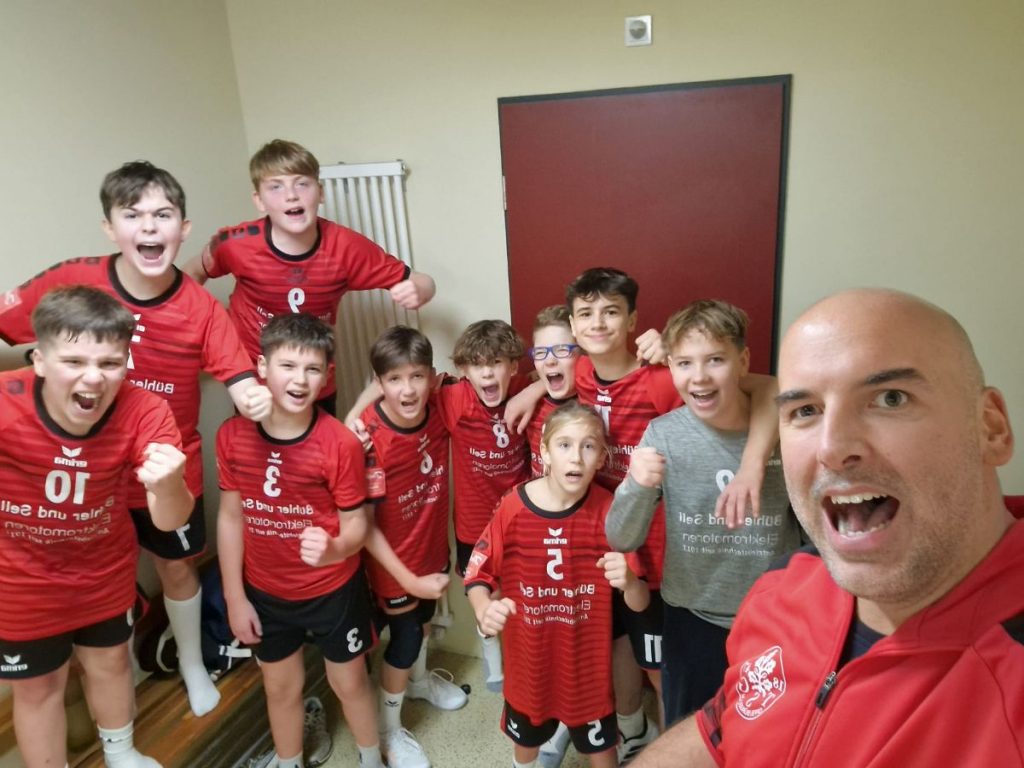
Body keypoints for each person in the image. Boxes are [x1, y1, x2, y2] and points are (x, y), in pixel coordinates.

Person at [632, 289, 1023, 767]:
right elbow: (723, 730)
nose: (831, 448)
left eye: (890, 399)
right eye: (806, 411)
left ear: (991, 428)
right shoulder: (782, 588)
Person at [0, 160, 271, 718]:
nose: (149, 226)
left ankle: (191, 662)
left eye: (163, 215)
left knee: (177, 567)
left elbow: (238, 373)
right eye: (133, 215)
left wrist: (252, 396)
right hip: (81, 473)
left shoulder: (200, 306)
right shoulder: (73, 279)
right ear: (110, 227)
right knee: (86, 578)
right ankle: (97, 692)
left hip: (167, 468)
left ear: (183, 228)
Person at [508, 268, 778, 764]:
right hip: (600, 538)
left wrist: (753, 463)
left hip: (658, 552)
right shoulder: (580, 372)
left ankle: (668, 742)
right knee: (612, 644)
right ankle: (628, 727)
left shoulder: (660, 378)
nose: (598, 323)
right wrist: (531, 391)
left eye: (611, 312)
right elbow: (557, 377)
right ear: (574, 325)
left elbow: (761, 388)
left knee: (659, 661)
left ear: (633, 320)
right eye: (586, 315)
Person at [0, 286, 191, 768]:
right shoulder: (5, 403)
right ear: (39, 360)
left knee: (110, 661)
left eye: (110, 363)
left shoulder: (144, 409)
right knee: (38, 688)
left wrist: (169, 484)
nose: (94, 378)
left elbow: (170, 519)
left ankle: (122, 754)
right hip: (20, 582)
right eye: (74, 362)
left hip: (103, 570)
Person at [606, 300, 802, 727]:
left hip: (774, 617)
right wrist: (638, 485)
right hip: (692, 618)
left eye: (715, 360)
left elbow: (814, 532)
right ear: (670, 367)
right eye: (684, 363)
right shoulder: (664, 435)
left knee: (769, 733)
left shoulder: (787, 432)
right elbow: (621, 537)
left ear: (743, 361)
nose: (699, 376)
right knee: (690, 731)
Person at [182, 138, 436, 415]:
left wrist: (420, 291)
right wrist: (200, 330)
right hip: (254, 379)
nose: (291, 195)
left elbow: (422, 281)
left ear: (321, 192)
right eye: (276, 187)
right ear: (259, 200)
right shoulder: (235, 242)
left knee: (321, 441)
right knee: (253, 442)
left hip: (315, 380)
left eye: (302, 183)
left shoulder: (346, 247)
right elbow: (191, 274)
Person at [465, 403, 649, 768]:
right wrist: (484, 609)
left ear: (602, 458)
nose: (576, 457)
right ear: (545, 452)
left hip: (588, 674)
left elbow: (640, 602)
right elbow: (477, 576)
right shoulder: (513, 508)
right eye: (564, 445)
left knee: (603, 755)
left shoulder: (609, 511)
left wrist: (629, 581)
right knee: (525, 751)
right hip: (529, 670)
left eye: (588, 446)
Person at [358, 325, 468, 768]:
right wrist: (407, 579)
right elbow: (365, 528)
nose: (408, 390)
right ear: (379, 383)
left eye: (417, 376)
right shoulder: (369, 439)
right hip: (394, 567)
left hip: (431, 547)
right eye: (394, 379)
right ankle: (389, 730)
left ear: (432, 377)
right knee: (403, 641)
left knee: (422, 624)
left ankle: (419, 684)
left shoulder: (439, 407)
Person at [525, 305, 580, 478]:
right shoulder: (530, 404)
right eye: (540, 352)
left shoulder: (594, 401)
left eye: (562, 350)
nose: (550, 361)